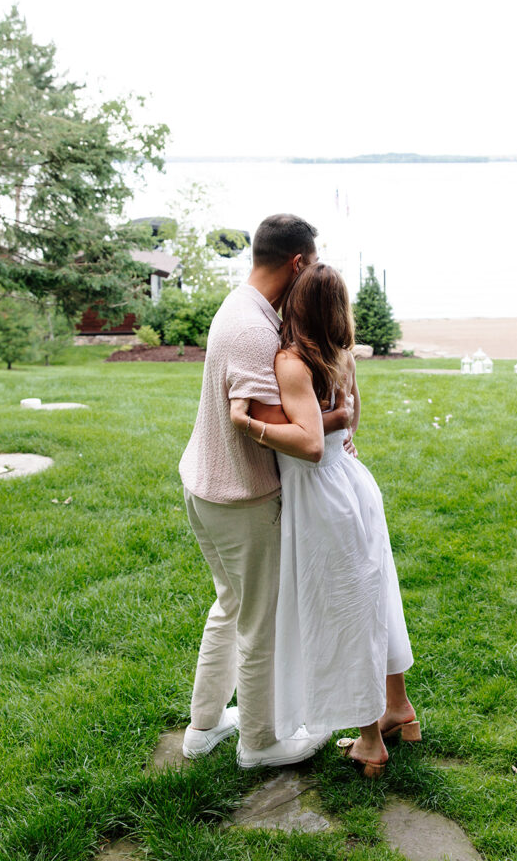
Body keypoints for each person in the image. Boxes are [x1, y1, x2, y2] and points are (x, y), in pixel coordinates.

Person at [230, 262, 418, 778]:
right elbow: (351, 418)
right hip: (354, 482)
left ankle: (370, 740)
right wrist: (335, 419)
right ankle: (399, 707)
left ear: (297, 304)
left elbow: (310, 448)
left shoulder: (293, 361)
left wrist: (249, 423)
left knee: (342, 611)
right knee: (374, 596)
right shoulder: (340, 354)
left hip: (321, 496)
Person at [178, 215, 353, 767]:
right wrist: (338, 416)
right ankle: (260, 742)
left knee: (229, 606)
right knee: (260, 622)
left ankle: (204, 726)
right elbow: (292, 434)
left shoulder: (238, 305)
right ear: (298, 263)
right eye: (313, 263)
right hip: (241, 497)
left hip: (204, 486)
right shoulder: (255, 331)